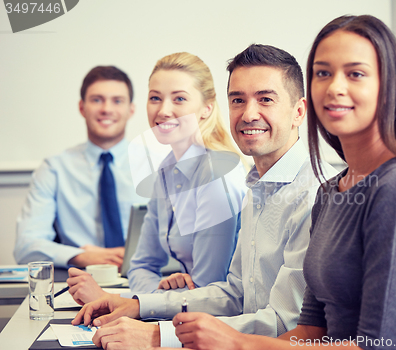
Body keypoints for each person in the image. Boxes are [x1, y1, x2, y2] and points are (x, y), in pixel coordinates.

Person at [172, 15, 396, 350]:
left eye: (355, 74)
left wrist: (238, 343)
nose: (334, 87)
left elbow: (376, 346)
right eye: (323, 73)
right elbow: (309, 332)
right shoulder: (332, 191)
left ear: (387, 87)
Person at [72, 44, 338, 349]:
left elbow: (284, 323)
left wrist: (159, 336)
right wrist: (137, 304)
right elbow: (234, 294)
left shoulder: (315, 193)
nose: (249, 113)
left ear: (299, 111)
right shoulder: (258, 186)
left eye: (265, 99)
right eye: (238, 100)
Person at [66, 52, 247, 305]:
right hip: (186, 311)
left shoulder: (215, 176)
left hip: (223, 323)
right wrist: (160, 294)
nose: (163, 110)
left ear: (206, 108)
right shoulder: (166, 170)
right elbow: (140, 265)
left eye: (179, 99)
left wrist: (138, 301)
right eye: (155, 98)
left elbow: (209, 291)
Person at [14, 66, 144, 269]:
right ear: (82, 107)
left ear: (131, 110)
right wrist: (80, 256)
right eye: (97, 100)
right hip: (79, 281)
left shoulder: (157, 165)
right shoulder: (54, 168)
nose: (106, 109)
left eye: (117, 101)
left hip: (148, 282)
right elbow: (26, 246)